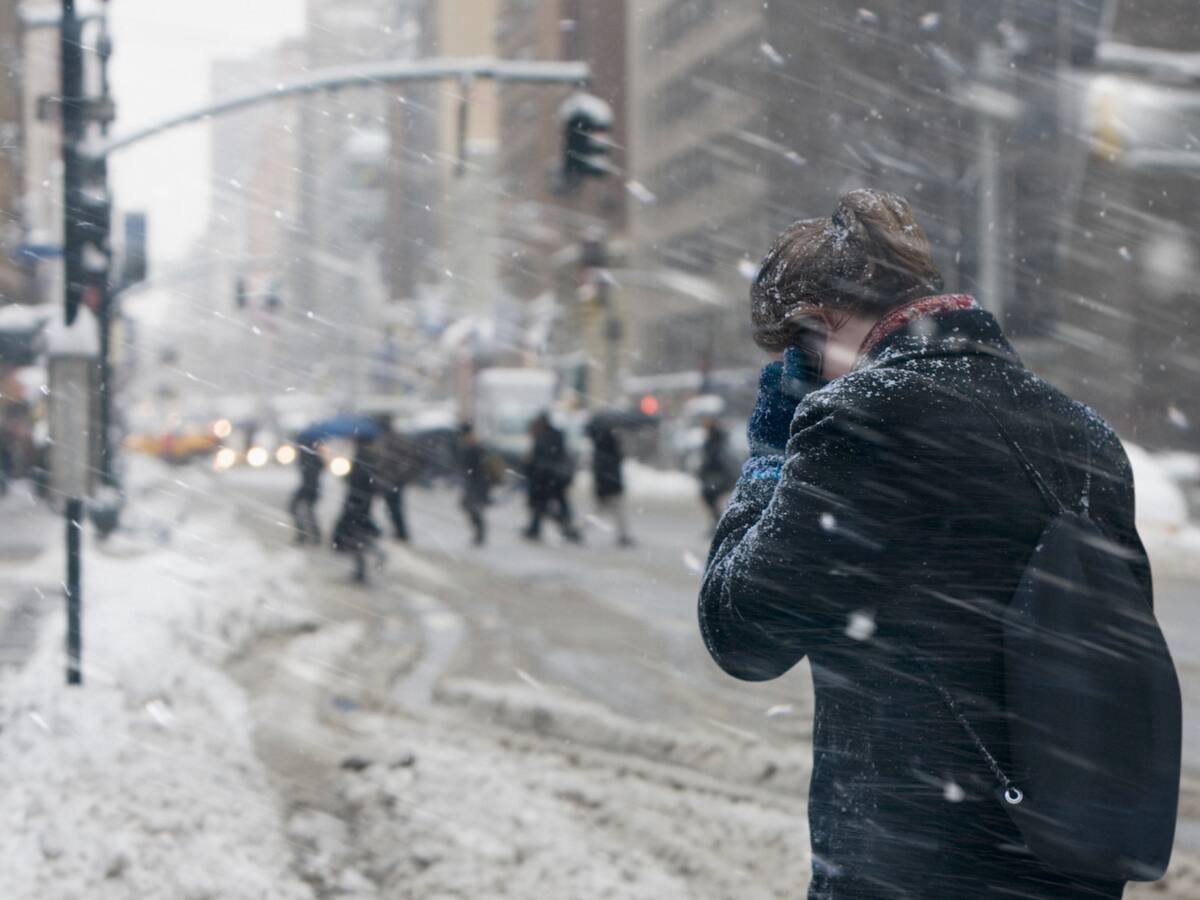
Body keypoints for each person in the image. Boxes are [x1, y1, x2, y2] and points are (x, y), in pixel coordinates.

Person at [698, 189, 1146, 899]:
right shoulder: (1084, 433)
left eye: (791, 350)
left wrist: (768, 456)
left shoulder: (863, 420)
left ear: (817, 324)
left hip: (912, 864)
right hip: (1066, 852)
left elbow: (742, 634)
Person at [332, 434, 384, 583]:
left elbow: (357, 480)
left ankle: (366, 566)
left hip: (357, 503)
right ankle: (361, 570)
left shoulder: (363, 458)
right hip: (360, 503)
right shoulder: (367, 457)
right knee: (357, 537)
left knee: (355, 537)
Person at [523, 412, 581, 542]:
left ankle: (540, 528)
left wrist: (532, 466)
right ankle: (564, 527)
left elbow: (542, 457)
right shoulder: (553, 435)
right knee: (552, 505)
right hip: (552, 478)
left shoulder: (544, 437)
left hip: (547, 478)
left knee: (542, 505)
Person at [588, 420, 633, 546]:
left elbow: (600, 471)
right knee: (613, 511)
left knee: (600, 512)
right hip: (611, 486)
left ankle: (580, 529)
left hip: (607, 486)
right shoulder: (610, 450)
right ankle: (623, 534)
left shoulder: (600, 449)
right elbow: (610, 468)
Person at [376, 419, 420, 543]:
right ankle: (400, 532)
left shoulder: (392, 440)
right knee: (393, 507)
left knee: (394, 507)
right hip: (392, 479)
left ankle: (401, 533)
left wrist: (400, 476)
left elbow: (409, 459)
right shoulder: (392, 439)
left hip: (393, 480)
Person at [696, 417, 734, 529]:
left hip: (717, 475)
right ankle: (718, 523)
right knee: (710, 498)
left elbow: (716, 459)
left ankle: (719, 523)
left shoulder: (716, 441)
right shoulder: (712, 440)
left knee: (710, 497)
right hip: (713, 475)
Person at [458, 423, 492, 546]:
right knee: (472, 508)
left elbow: (474, 467)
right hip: (477, 483)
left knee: (473, 508)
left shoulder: (473, 447)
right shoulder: (475, 446)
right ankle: (479, 533)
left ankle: (480, 534)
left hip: (476, 484)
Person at [288, 436, 323, 544]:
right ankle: (312, 536)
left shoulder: (307, 456)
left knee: (297, 509)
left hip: (309, 488)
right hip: (311, 488)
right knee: (307, 511)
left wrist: (308, 490)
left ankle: (306, 535)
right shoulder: (313, 455)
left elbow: (310, 475)